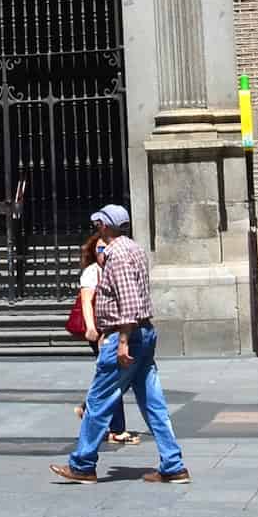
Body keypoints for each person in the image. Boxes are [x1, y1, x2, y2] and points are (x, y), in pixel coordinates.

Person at [51, 203, 190, 486]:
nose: (96, 229)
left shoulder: (117, 254)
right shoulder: (135, 249)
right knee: (153, 403)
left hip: (125, 334)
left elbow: (128, 301)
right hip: (143, 333)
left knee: (98, 401)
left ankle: (83, 464)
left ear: (105, 226)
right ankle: (173, 464)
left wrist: (123, 341)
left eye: (98, 224)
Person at [73, 228, 136, 446]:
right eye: (100, 248)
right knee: (112, 376)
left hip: (114, 331)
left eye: (106, 248)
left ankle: (89, 408)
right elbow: (86, 301)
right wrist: (93, 329)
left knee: (113, 377)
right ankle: (115, 428)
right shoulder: (92, 272)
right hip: (101, 332)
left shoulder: (115, 267)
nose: (104, 252)